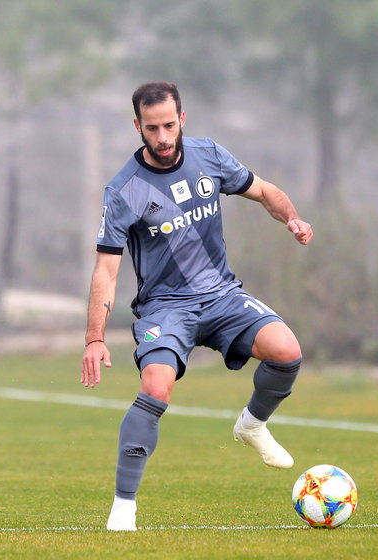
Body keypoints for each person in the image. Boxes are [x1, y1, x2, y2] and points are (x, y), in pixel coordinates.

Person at [80, 81, 313, 531]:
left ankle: (251, 426)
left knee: (287, 351)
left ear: (182, 119)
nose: (163, 137)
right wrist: (94, 338)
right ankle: (123, 507)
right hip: (165, 309)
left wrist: (293, 218)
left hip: (221, 295)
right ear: (138, 127)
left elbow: (264, 191)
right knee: (156, 387)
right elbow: (105, 272)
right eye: (152, 128)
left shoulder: (209, 156)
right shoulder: (124, 190)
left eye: (169, 125)